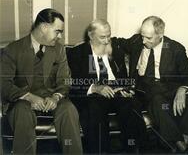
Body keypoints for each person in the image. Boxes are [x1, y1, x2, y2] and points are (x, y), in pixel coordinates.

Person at [1, 8, 82, 154]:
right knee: (22, 112)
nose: (59, 36)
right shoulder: (13, 49)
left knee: (69, 110)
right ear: (44, 27)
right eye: (57, 31)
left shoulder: (59, 49)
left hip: (52, 98)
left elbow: (65, 80)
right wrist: (28, 97)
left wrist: (56, 97)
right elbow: (3, 83)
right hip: (22, 101)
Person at [113, 16, 188, 153]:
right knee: (157, 99)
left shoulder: (175, 49)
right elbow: (114, 41)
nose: (143, 41)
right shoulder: (136, 41)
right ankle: (180, 145)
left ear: (160, 35)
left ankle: (185, 137)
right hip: (144, 88)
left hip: (169, 89)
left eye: (148, 38)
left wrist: (182, 89)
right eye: (142, 36)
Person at [67, 19, 147, 154]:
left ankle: (134, 149)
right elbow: (73, 82)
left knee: (131, 105)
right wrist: (96, 88)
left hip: (116, 90)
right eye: (102, 37)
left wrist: (125, 88)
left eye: (109, 36)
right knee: (94, 108)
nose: (106, 41)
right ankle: (100, 151)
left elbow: (123, 75)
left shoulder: (115, 48)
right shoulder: (77, 53)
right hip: (94, 93)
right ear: (91, 36)